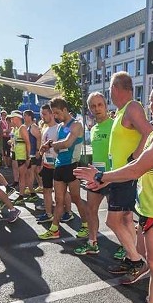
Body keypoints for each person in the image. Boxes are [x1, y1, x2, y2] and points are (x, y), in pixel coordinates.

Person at [75, 81, 153, 303]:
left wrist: (102, 177)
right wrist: (104, 178)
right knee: (148, 255)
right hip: (149, 207)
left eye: (150, 102)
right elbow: (135, 166)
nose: (148, 106)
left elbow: (137, 168)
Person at [105, 71, 153, 274]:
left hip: (126, 175)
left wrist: (135, 157)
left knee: (112, 220)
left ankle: (136, 261)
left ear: (115, 89)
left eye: (110, 89)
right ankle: (130, 256)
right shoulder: (122, 110)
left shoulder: (132, 107)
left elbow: (149, 131)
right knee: (125, 219)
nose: (110, 93)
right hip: (120, 174)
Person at [37, 98, 89, 240]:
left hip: (71, 166)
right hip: (59, 166)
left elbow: (67, 143)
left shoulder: (76, 125)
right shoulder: (62, 126)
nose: (55, 116)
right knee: (59, 200)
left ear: (65, 109)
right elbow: (61, 141)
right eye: (53, 113)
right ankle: (54, 229)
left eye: (57, 113)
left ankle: (85, 225)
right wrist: (49, 144)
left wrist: (52, 144)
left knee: (76, 198)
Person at [74, 92, 112, 255]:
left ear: (106, 105)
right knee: (91, 209)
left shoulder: (115, 125)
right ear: (89, 109)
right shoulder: (94, 128)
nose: (97, 109)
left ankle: (126, 248)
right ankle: (92, 242)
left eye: (100, 105)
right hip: (96, 176)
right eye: (93, 106)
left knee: (120, 217)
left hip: (113, 176)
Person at [35, 103, 59, 223]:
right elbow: (42, 147)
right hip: (46, 165)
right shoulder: (44, 129)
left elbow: (68, 143)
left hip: (58, 165)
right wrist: (41, 158)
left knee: (62, 192)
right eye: (41, 114)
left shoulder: (60, 128)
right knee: (46, 190)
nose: (42, 117)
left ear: (52, 114)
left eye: (44, 114)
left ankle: (68, 212)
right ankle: (48, 213)